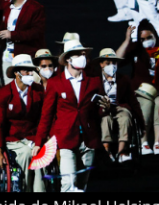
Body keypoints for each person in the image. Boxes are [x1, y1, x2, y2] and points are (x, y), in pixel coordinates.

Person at [36, 39, 108, 192]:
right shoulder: (55, 83)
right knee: (69, 183)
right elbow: (46, 115)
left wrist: (106, 108)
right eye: (77, 54)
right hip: (66, 139)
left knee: (82, 186)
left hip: (88, 139)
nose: (82, 57)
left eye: (83, 54)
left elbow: (98, 112)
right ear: (68, 59)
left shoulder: (94, 82)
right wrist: (39, 142)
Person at [117, 20, 159, 154]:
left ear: (155, 35)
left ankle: (158, 143)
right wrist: (127, 40)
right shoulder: (136, 49)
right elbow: (117, 60)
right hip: (142, 90)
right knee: (145, 107)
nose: (146, 41)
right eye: (143, 39)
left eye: (149, 37)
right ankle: (144, 143)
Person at [0, 54, 45, 192]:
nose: (30, 73)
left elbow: (43, 118)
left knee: (41, 156)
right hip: (12, 140)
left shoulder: (38, 91)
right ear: (16, 73)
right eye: (26, 70)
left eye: (31, 70)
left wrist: (39, 142)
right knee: (27, 154)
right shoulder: (4, 93)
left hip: (33, 138)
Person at [0, 0, 46, 83]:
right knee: (10, 89)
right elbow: (5, 26)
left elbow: (36, 32)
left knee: (28, 89)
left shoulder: (35, 8)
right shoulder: (7, 7)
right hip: (8, 56)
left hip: (26, 57)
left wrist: (12, 35)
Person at [95, 48, 144, 163]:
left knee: (125, 117)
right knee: (105, 119)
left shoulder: (123, 79)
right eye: (108, 63)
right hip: (102, 109)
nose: (111, 65)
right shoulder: (95, 80)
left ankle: (122, 151)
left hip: (119, 106)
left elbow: (133, 101)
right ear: (101, 64)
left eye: (114, 63)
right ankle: (106, 151)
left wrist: (141, 123)